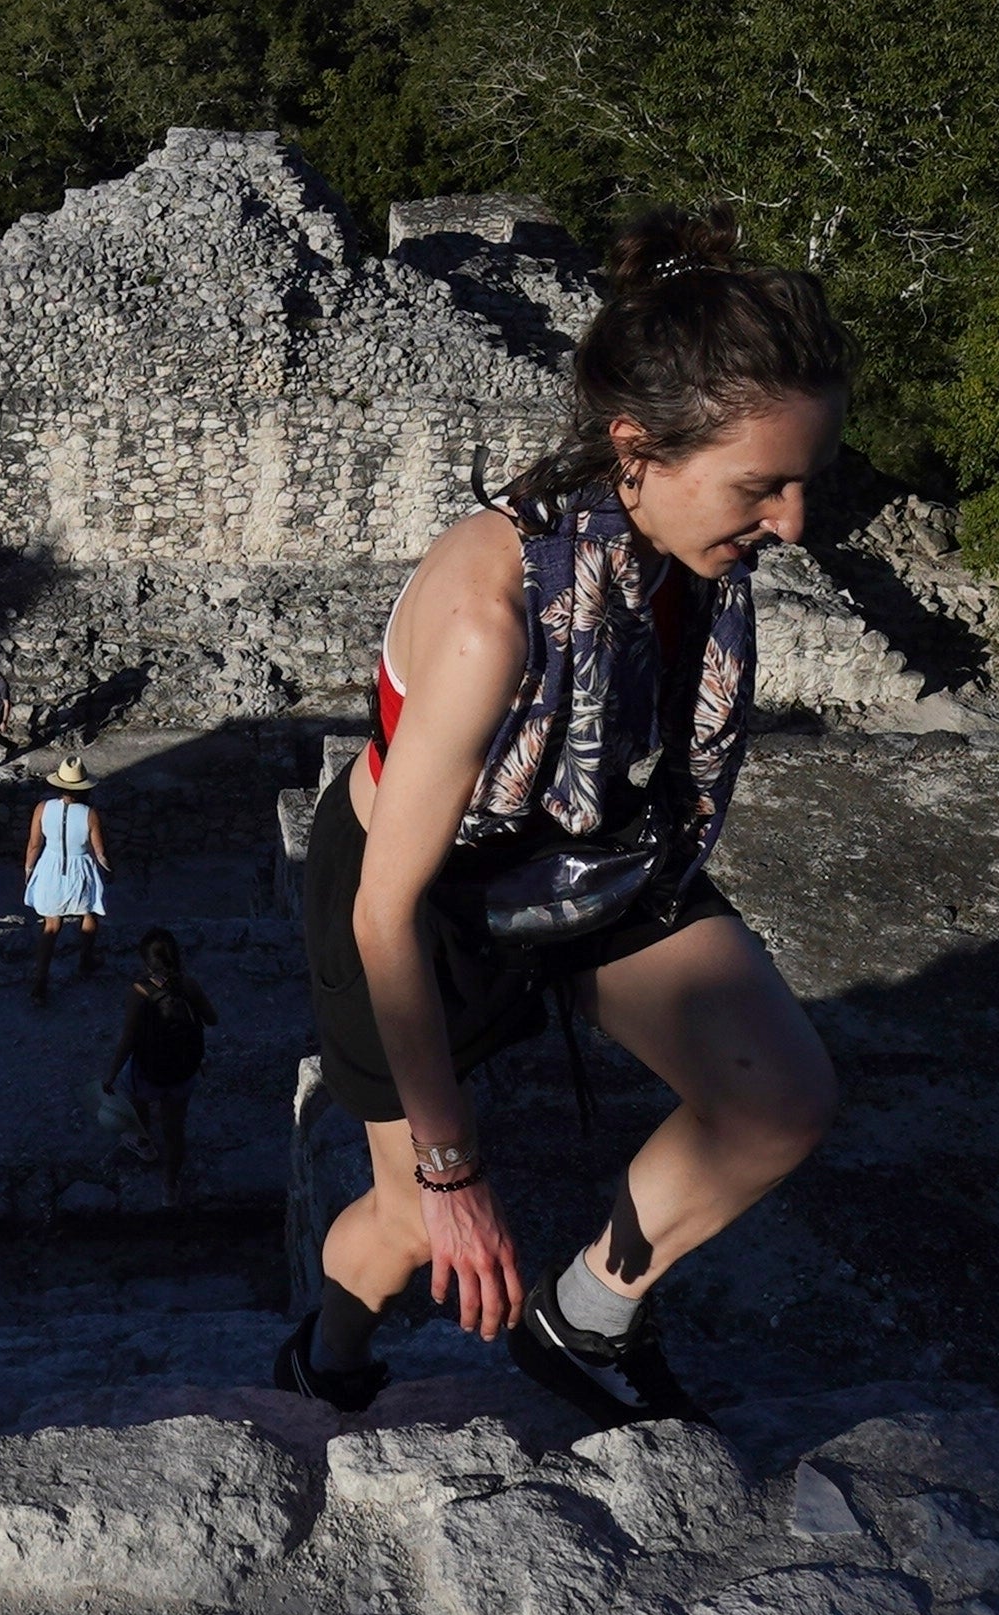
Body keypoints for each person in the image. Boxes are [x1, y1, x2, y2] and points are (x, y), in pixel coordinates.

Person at [289, 214, 848, 1430]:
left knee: (779, 1096)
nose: (794, 522)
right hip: (422, 893)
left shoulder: (676, 548)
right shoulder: (492, 619)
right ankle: (326, 1359)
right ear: (636, 449)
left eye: (806, 478)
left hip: (582, 849)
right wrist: (453, 1170)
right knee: (409, 1222)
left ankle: (586, 1317)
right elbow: (385, 911)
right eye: (763, 486)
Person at [107, 929, 216, 1180]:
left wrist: (111, 1075)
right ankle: (170, 1186)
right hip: (183, 1071)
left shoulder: (139, 991)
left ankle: (144, 1144)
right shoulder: (189, 985)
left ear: (146, 961)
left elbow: (128, 1039)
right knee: (175, 1131)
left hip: (148, 1071)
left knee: (139, 1104)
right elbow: (213, 1019)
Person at [19, 757, 109, 1003]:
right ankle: (86, 960)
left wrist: (29, 870)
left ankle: (40, 980)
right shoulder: (90, 814)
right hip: (81, 867)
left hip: (51, 866)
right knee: (89, 913)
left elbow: (34, 844)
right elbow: (99, 851)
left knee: (50, 925)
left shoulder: (42, 808)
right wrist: (108, 869)